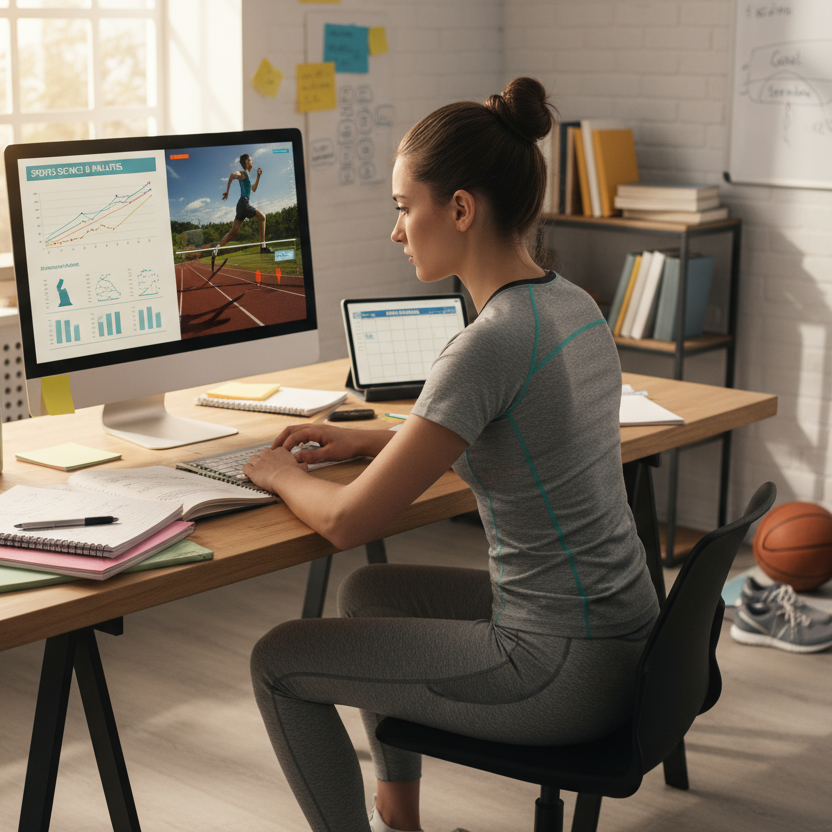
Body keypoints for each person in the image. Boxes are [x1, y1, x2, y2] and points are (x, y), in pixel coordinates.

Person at [243, 77, 660, 832]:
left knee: (278, 660)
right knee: (372, 598)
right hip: (626, 641)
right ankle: (400, 818)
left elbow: (344, 523)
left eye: (405, 207)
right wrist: (368, 437)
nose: (396, 231)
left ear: (460, 209)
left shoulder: (486, 344)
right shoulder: (570, 303)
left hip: (558, 669)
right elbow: (513, 427)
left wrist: (273, 470)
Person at [210, 153, 270, 264]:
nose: (252, 162)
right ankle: (263, 247)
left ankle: (216, 249)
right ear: (247, 162)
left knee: (233, 232)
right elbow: (233, 175)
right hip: (244, 203)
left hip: (240, 206)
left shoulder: (246, 176)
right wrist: (227, 191)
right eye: (251, 160)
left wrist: (258, 176)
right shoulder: (243, 173)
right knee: (262, 218)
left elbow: (253, 189)